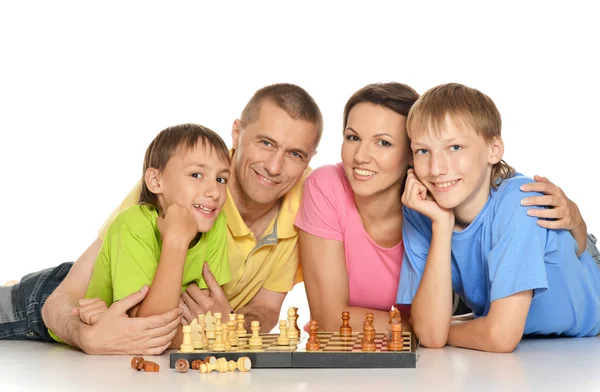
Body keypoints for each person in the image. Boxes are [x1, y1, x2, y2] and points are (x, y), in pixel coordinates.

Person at [0, 83, 323, 354]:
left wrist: (231, 322)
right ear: (237, 133)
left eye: (295, 154)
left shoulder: (309, 201)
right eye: (265, 143)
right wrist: (89, 337)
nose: (275, 167)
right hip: (66, 301)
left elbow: (265, 309)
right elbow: (64, 297)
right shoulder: (177, 187)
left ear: (310, 158)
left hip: (154, 332)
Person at [297, 82, 596, 333]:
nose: (361, 156)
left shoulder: (489, 197)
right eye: (352, 137)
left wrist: (576, 217)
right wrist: (431, 327)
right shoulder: (422, 212)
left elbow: (573, 245)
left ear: (407, 156)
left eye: (384, 143)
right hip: (505, 320)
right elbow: (427, 330)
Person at [396, 83, 600, 353]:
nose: (436, 169)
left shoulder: (519, 199)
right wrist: (442, 226)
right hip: (538, 336)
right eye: (423, 151)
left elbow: (499, 337)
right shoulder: (421, 212)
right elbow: (431, 337)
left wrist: (450, 328)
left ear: (494, 150)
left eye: (455, 147)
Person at [63, 123, 231, 350]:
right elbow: (151, 328)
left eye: (221, 179)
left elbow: (199, 317)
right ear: (155, 181)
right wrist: (176, 241)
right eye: (196, 174)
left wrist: (205, 328)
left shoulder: (215, 222)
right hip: (47, 302)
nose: (214, 192)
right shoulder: (130, 225)